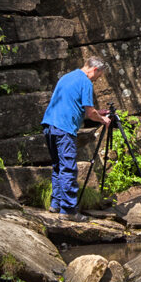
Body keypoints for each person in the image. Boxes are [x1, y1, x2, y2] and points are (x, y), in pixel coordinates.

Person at [41, 57, 111, 221]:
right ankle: (69, 211)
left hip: (49, 125)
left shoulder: (67, 77)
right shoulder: (86, 82)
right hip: (64, 128)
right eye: (98, 76)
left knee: (58, 166)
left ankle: (56, 204)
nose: (97, 79)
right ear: (94, 70)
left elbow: (74, 105)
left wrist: (97, 113)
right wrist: (103, 119)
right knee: (68, 168)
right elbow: (89, 113)